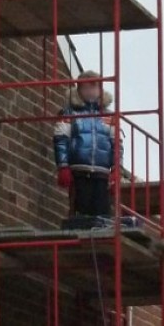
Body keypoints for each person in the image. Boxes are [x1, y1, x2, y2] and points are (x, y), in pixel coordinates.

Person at [53, 71, 118, 218]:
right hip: (79, 170)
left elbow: (116, 144)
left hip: (102, 172)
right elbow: (61, 139)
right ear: (79, 90)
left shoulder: (108, 116)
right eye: (85, 87)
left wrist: (116, 168)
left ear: (100, 90)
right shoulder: (69, 113)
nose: (90, 91)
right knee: (80, 210)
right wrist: (63, 166)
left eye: (94, 87)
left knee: (102, 211)